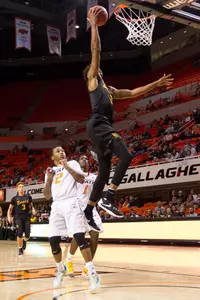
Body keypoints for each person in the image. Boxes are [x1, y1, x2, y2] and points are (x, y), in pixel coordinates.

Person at [83, 7, 174, 226]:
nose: (96, 69)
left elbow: (133, 93)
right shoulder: (93, 80)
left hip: (98, 128)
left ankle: (88, 211)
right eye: (93, 69)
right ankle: (109, 197)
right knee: (126, 155)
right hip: (98, 125)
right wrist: (94, 25)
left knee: (103, 173)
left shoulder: (109, 89)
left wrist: (156, 84)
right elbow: (96, 52)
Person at [43, 146, 100, 292]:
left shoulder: (73, 163)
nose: (61, 152)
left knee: (79, 236)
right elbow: (47, 195)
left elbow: (81, 179)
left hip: (71, 202)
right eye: (57, 151)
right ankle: (60, 269)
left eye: (63, 150)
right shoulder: (50, 171)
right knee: (53, 240)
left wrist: (67, 166)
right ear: (52, 157)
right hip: (56, 205)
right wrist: (49, 179)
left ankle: (92, 273)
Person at [63, 155, 103, 278]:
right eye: (82, 158)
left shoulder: (94, 177)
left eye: (86, 159)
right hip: (77, 208)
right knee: (78, 236)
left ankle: (87, 267)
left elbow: (98, 191)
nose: (84, 160)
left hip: (90, 208)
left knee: (95, 233)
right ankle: (68, 260)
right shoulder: (74, 177)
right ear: (77, 163)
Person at [7, 182, 36, 257]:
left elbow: (31, 206)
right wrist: (8, 216)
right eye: (20, 187)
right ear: (17, 188)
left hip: (26, 217)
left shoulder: (28, 197)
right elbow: (10, 209)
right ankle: (20, 249)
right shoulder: (14, 198)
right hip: (17, 217)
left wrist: (33, 210)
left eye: (23, 186)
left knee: (27, 234)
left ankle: (24, 240)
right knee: (19, 233)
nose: (21, 188)